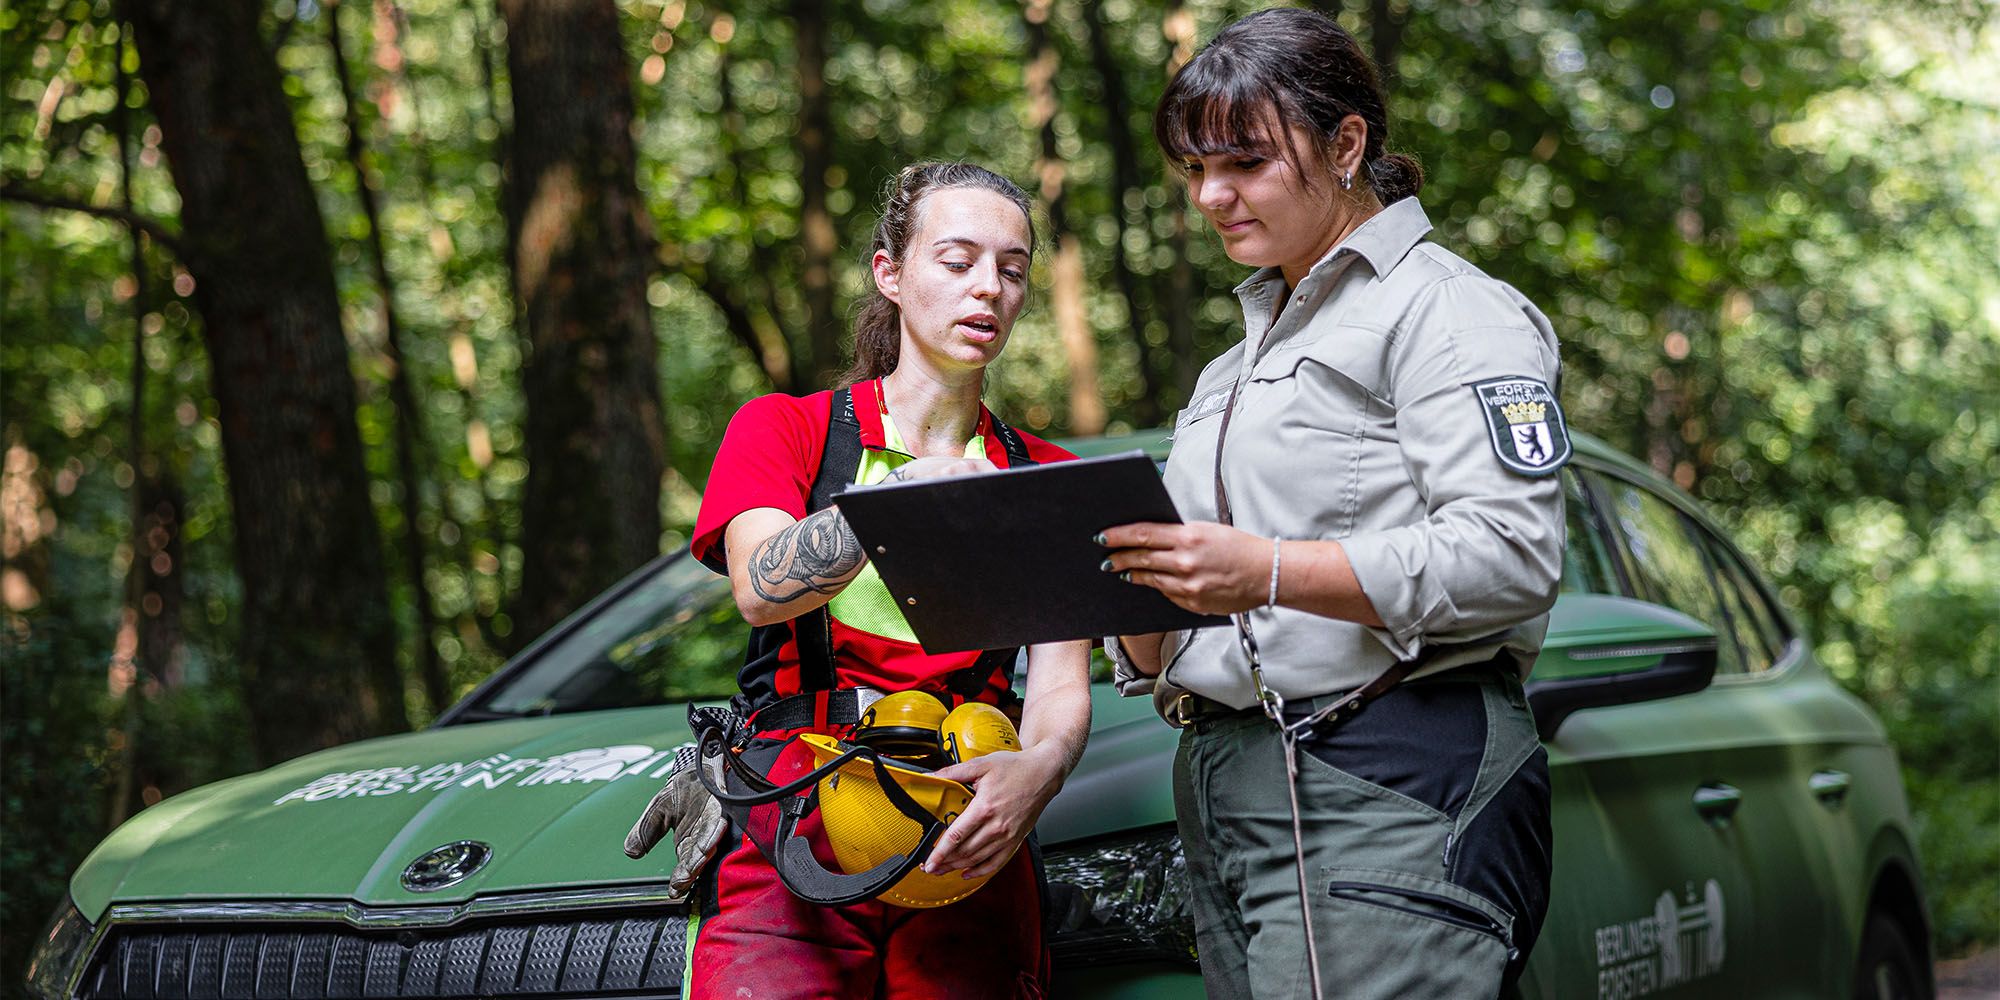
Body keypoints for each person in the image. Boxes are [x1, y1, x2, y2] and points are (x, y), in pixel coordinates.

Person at [1100, 9, 1567, 999]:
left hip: (1381, 775)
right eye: (1191, 170)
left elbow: (1510, 554)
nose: (1209, 196)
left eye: (1242, 162)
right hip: (1227, 788)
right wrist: (1125, 604)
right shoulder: (1232, 364)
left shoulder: (1446, 310)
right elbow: (1198, 593)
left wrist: (1266, 569)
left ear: (1346, 143)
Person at [635, 161, 1091, 1000]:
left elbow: (1062, 685)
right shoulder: (788, 428)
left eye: (1013, 269)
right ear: (890, 274)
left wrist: (1042, 771)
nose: (988, 288)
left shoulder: (1044, 474)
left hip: (969, 817)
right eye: (957, 261)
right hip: (793, 820)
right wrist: (902, 501)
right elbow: (764, 587)